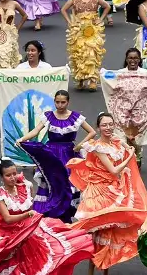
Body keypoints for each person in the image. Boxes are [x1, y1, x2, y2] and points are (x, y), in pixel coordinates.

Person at [0, 159, 93, 275]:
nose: (12, 177)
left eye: (14, 174)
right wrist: (27, 214)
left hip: (27, 233)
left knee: (34, 265)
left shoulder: (25, 186)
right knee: (0, 267)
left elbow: (30, 203)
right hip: (7, 238)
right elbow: (8, 218)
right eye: (8, 175)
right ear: (1, 177)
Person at [67, 112, 147, 273]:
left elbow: (124, 144)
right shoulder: (98, 147)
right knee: (97, 231)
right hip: (100, 191)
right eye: (104, 125)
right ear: (98, 127)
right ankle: (91, 270)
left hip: (114, 188)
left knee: (108, 233)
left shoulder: (116, 140)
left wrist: (128, 147)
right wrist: (130, 155)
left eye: (110, 124)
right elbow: (114, 170)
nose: (108, 128)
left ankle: (104, 268)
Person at [15, 91, 96, 221]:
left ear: (68, 102)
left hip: (69, 154)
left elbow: (92, 132)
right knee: (50, 182)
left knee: (68, 183)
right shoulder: (48, 116)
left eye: (63, 102)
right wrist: (22, 139)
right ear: (54, 102)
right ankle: (50, 211)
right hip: (51, 154)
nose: (60, 105)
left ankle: (66, 213)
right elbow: (36, 131)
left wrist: (79, 146)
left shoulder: (76, 117)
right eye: (57, 102)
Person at [61, 0, 110, 91]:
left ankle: (93, 80)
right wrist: (70, 22)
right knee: (79, 53)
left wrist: (101, 19)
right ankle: (80, 79)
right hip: (78, 30)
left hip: (93, 29)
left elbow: (107, 6)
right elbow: (63, 9)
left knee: (92, 53)